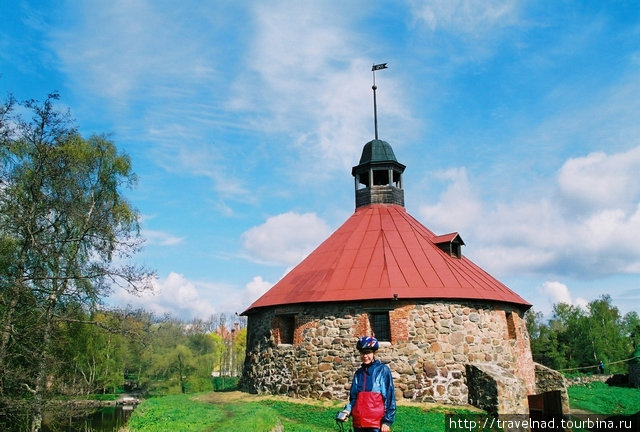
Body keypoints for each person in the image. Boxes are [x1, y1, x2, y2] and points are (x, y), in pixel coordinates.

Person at [340, 336, 396, 432]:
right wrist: (347, 411)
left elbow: (389, 397)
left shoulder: (382, 370)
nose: (365, 356)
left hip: (375, 424)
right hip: (359, 423)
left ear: (374, 353)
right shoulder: (358, 373)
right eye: (362, 353)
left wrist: (387, 421)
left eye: (368, 352)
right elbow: (354, 398)